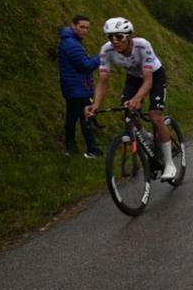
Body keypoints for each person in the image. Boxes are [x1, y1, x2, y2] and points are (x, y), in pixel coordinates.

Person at [85, 18, 177, 180]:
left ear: (129, 37)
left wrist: (138, 98)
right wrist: (95, 105)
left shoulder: (142, 45)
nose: (115, 41)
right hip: (134, 78)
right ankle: (145, 137)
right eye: (110, 37)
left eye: (119, 36)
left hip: (154, 76)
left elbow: (148, 80)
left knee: (156, 116)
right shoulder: (106, 50)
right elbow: (103, 80)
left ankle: (169, 164)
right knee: (127, 111)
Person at [58, 15, 102, 158]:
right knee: (86, 118)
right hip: (78, 89)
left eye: (87, 28)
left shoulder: (71, 41)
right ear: (73, 26)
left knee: (71, 118)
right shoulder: (72, 44)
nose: (84, 31)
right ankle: (93, 150)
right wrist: (101, 57)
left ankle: (71, 149)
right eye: (81, 27)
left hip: (72, 88)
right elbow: (86, 66)